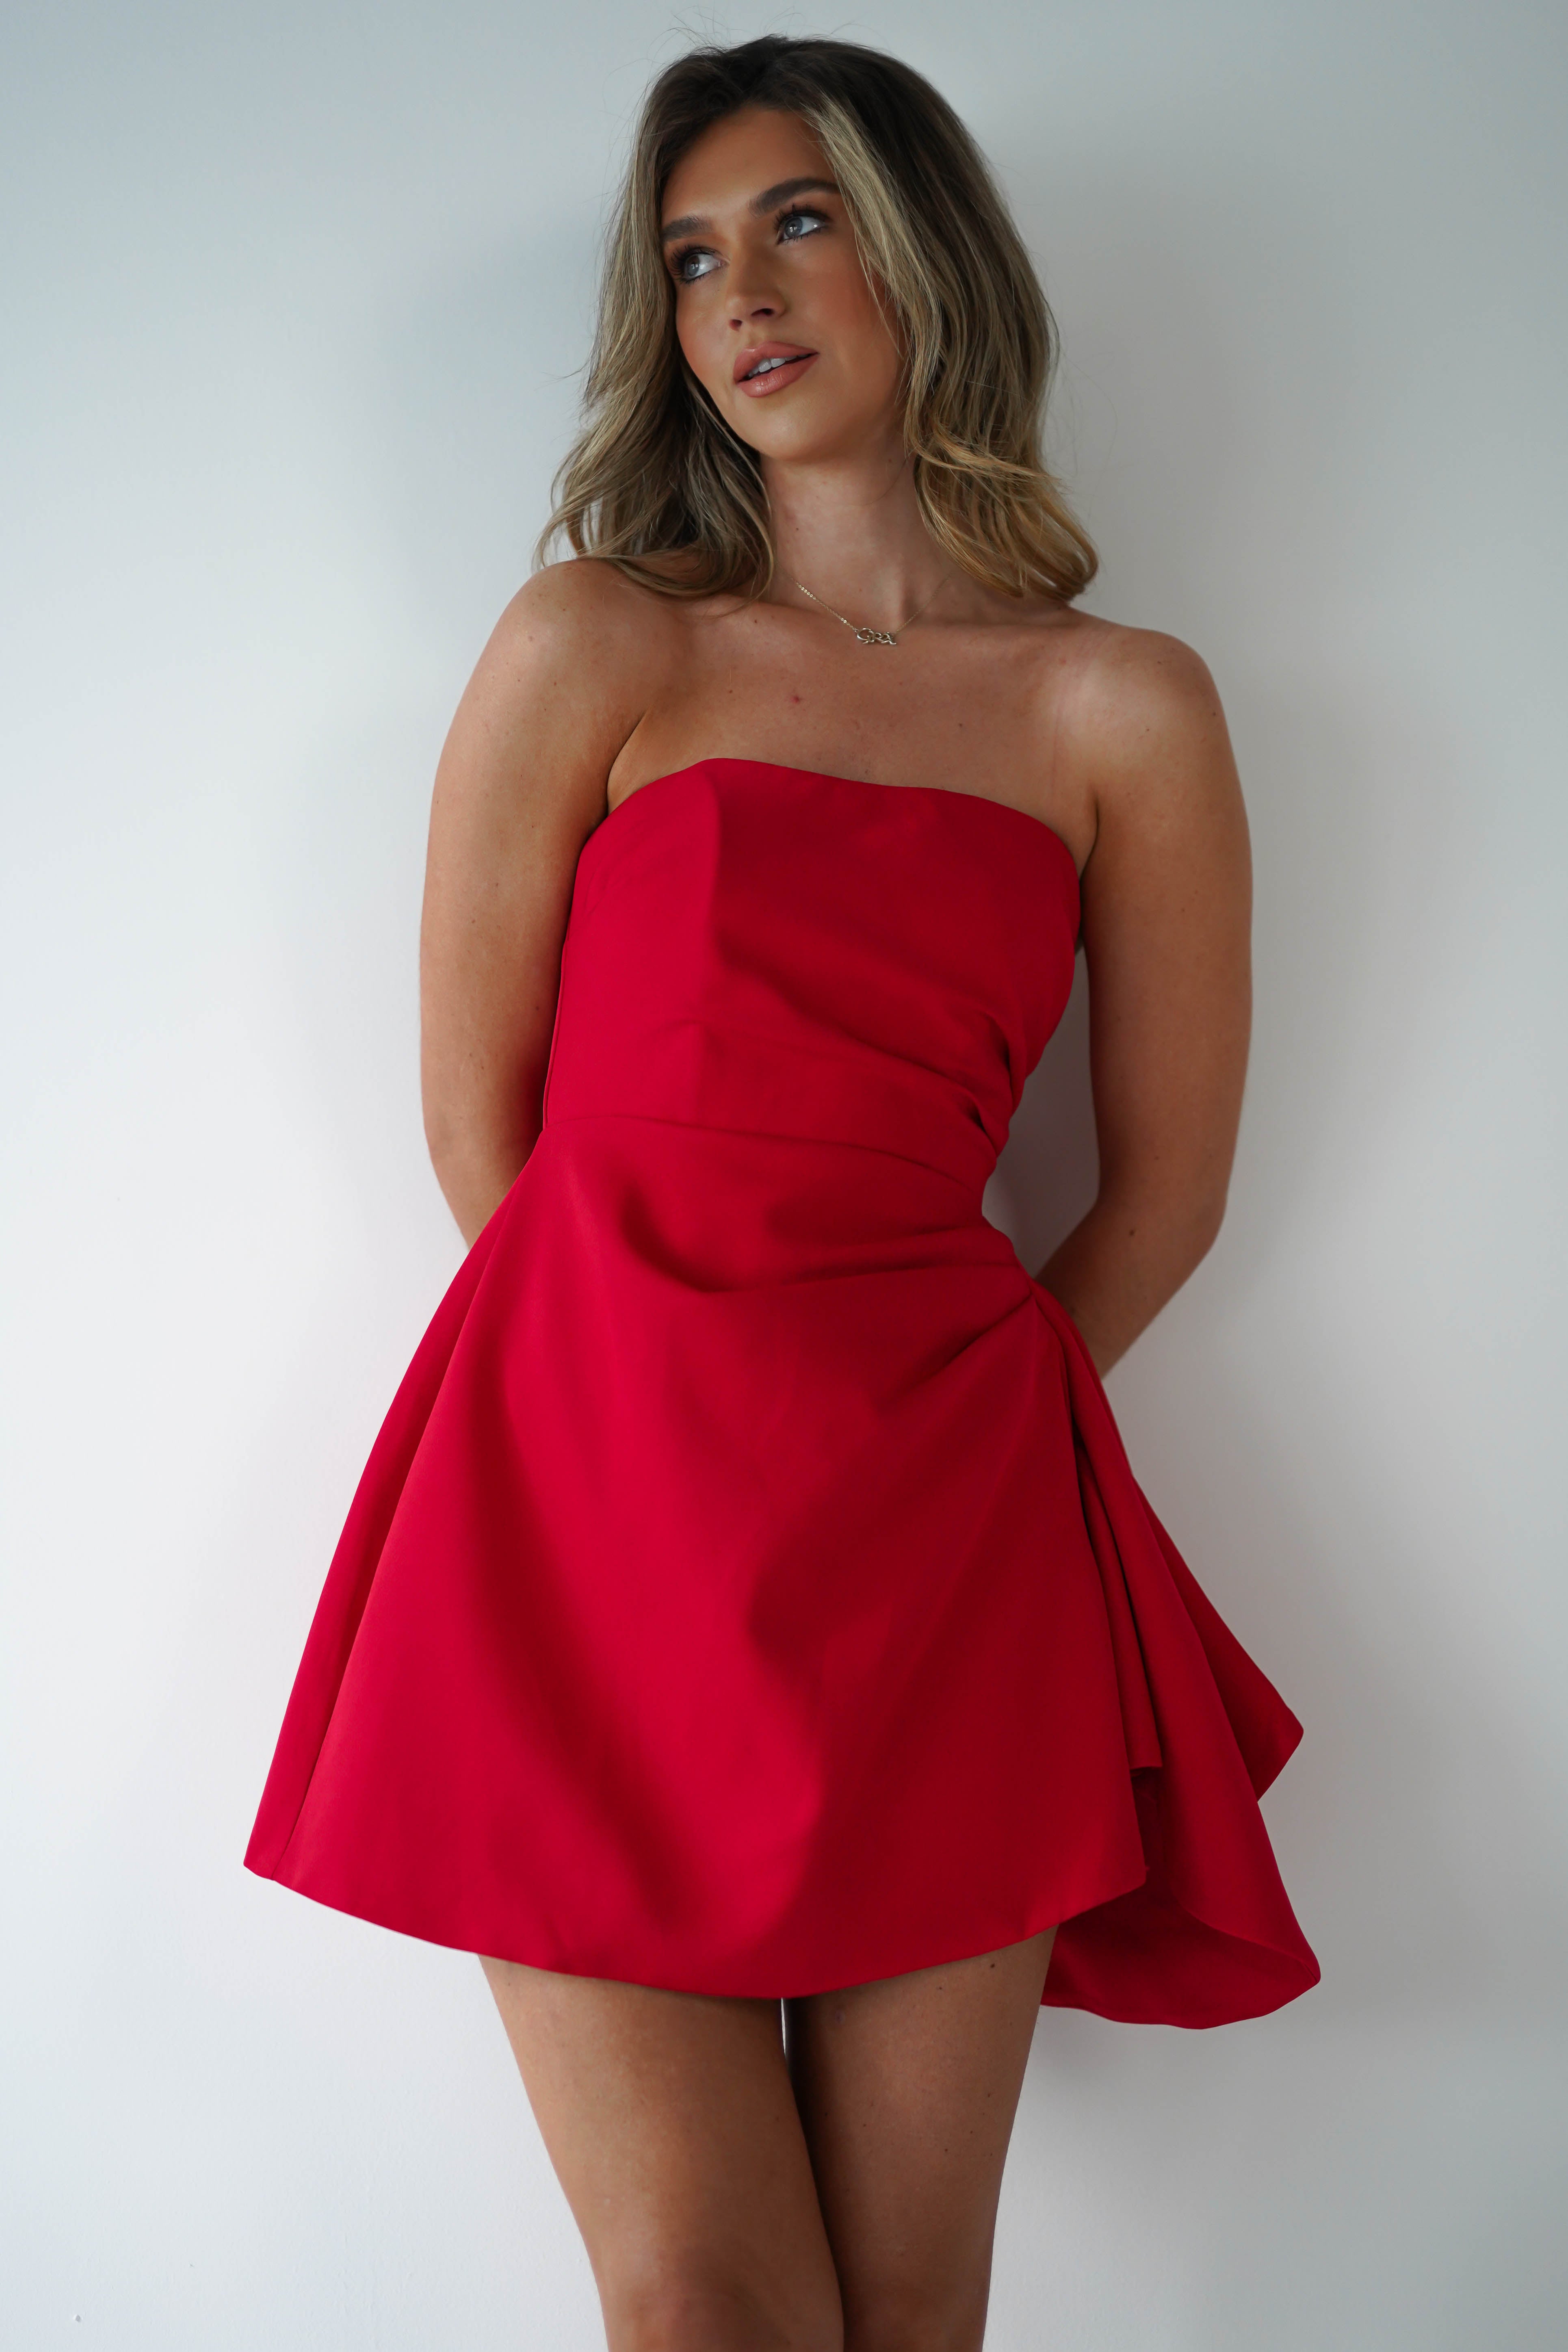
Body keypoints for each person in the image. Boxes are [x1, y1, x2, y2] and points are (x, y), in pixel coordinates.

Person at [247, 33, 1318, 2352]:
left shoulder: (1119, 707)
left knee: (909, 2316)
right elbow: (482, 1134)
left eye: (799, 220)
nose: (743, 290)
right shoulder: (594, 644)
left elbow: (1162, 1197)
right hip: (584, 1521)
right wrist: (655, 1405)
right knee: (704, 2303)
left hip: (947, 1549)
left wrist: (941, 1419)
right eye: (693, 255)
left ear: (927, 253)